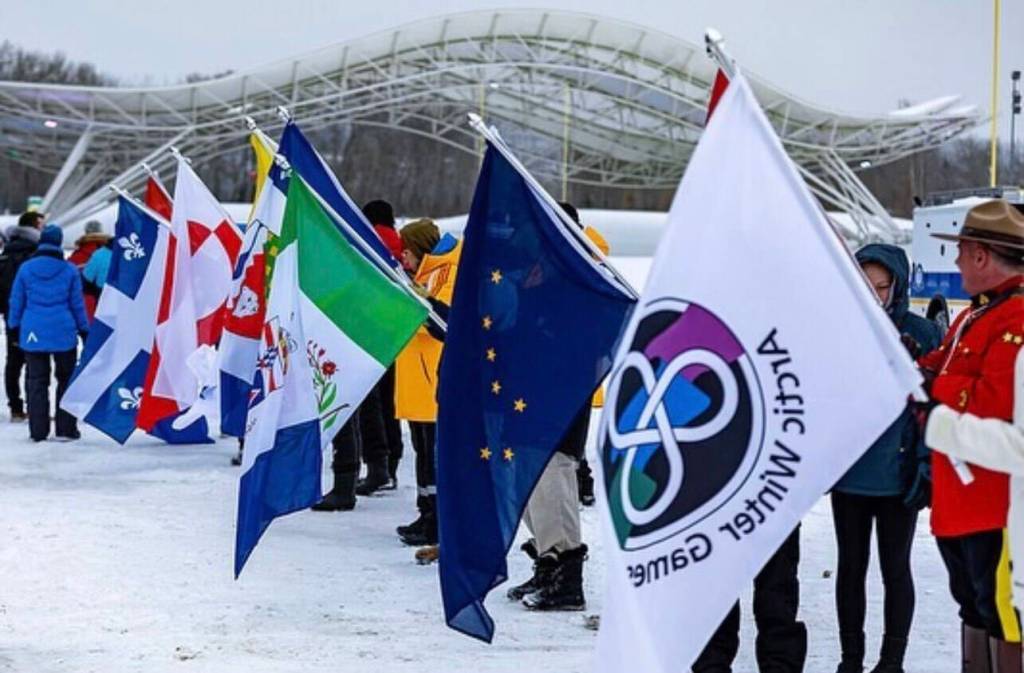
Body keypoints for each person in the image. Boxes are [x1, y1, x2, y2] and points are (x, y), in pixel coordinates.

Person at [917, 199, 1024, 672]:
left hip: (995, 502)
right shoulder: (974, 316)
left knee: (1005, 617)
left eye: (960, 250)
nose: (956, 261)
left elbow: (996, 404)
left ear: (981, 255)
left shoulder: (1015, 318)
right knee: (974, 606)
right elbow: (938, 366)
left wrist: (933, 389)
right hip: (962, 499)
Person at [830, 244, 941, 673]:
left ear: (897, 286)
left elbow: (937, 404)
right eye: (865, 285)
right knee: (850, 568)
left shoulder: (922, 333)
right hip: (850, 474)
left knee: (896, 568)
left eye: (882, 286)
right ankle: (850, 660)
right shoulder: (838, 329)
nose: (874, 295)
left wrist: (926, 464)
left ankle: (891, 661)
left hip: (899, 476)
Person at [506, 202, 604, 611]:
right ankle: (547, 559)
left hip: (561, 391)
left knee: (552, 478)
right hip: (529, 387)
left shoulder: (581, 271)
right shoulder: (537, 268)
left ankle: (567, 575)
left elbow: (587, 334)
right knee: (525, 478)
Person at [394, 218, 460, 550]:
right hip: (417, 379)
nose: (403, 258)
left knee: (433, 455)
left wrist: (413, 302)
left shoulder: (447, 271)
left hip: (431, 376)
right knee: (423, 452)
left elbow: (444, 323)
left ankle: (437, 519)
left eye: (406, 251)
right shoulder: (425, 272)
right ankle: (426, 512)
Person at [7, 224, 89, 442]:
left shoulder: (26, 269)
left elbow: (17, 301)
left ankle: (38, 430)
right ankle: (66, 428)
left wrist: (13, 327)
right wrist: (84, 329)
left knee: (36, 381)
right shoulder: (69, 270)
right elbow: (77, 304)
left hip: (33, 330)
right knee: (65, 380)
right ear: (59, 242)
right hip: (63, 329)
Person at [349, 199, 405, 495]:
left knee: (369, 403)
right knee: (390, 402)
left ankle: (377, 465)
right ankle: (391, 463)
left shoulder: (367, 240)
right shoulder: (401, 243)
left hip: (370, 329)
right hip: (398, 331)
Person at [0, 211, 43, 421]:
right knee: (33, 361)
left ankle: (15, 407)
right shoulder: (34, 255)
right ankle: (32, 406)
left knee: (13, 361)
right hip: (31, 314)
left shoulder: (6, 254)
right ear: (34, 226)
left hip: (10, 316)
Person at [81, 238, 113, 323]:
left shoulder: (100, 254)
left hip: (103, 300)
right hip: (128, 303)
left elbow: (86, 279)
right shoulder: (136, 254)